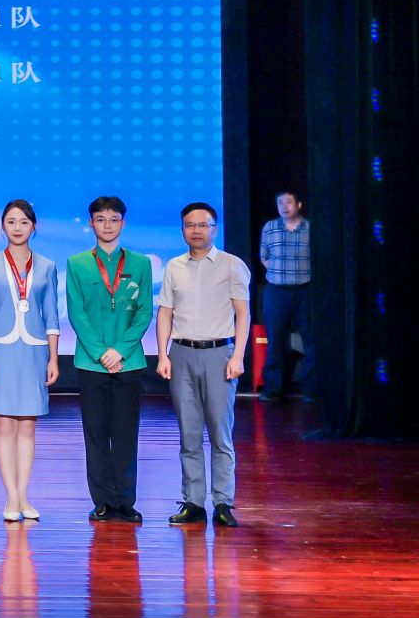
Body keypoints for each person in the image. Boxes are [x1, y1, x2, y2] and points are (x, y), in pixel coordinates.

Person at [157, 202, 250, 527]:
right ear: (182, 229)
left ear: (214, 229)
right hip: (182, 353)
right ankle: (193, 501)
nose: (196, 230)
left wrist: (238, 356)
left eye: (202, 225)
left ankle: (223, 502)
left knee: (220, 433)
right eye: (189, 225)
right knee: (189, 432)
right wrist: (163, 354)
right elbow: (165, 312)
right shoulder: (174, 267)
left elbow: (243, 314)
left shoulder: (231, 265)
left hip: (218, 354)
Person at [66, 196, 153, 523]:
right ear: (91, 223)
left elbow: (144, 311)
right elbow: (77, 313)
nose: (107, 225)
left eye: (114, 219)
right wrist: (101, 352)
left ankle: (126, 501)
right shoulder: (77, 263)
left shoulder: (140, 263)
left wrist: (120, 350)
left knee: (126, 433)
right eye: (100, 219)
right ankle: (102, 500)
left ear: (123, 223)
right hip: (91, 363)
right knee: (96, 434)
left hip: (129, 362)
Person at [0, 199, 61, 522]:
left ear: (34, 226)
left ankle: (24, 496)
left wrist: (54, 358)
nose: (17, 227)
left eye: (24, 222)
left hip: (34, 351)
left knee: (28, 426)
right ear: (3, 226)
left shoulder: (47, 266)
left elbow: (52, 316)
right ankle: (11, 497)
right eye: (11, 221)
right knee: (4, 425)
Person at [257, 189, 313, 400]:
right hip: (276, 290)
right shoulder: (270, 227)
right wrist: (280, 274)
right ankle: (273, 389)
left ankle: (311, 389)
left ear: (299, 205)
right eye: (280, 203)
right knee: (275, 339)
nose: (284, 207)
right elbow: (264, 257)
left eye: (288, 202)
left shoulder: (310, 228)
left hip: (305, 290)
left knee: (310, 340)